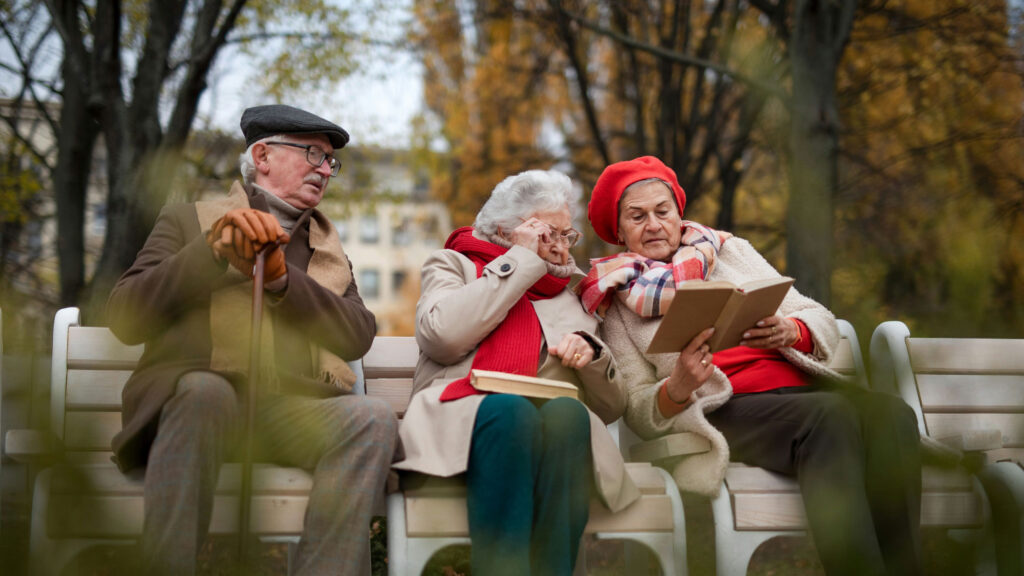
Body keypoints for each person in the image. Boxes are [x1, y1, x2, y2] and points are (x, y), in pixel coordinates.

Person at [579, 156, 923, 576]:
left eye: (662, 211)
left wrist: (792, 331)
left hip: (800, 392)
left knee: (892, 415)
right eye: (637, 216)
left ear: (679, 213)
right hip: (724, 408)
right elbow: (636, 407)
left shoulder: (729, 251)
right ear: (619, 231)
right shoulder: (615, 299)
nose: (653, 224)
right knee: (831, 417)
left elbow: (819, 317)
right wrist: (678, 387)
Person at [106, 104, 399, 576]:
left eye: (330, 162)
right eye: (312, 154)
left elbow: (357, 333)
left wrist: (285, 282)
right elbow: (126, 315)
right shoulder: (187, 221)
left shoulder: (327, 249)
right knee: (205, 390)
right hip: (201, 409)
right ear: (261, 155)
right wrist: (211, 252)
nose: (325, 170)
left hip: (291, 411)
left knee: (371, 416)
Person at [393, 169, 640, 576]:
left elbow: (611, 407)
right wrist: (520, 262)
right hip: (465, 430)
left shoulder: (574, 293)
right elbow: (442, 336)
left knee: (568, 415)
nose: (561, 246)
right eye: (548, 234)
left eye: (567, 234)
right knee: (511, 413)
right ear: (509, 233)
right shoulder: (454, 265)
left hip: (551, 439)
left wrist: (592, 356)